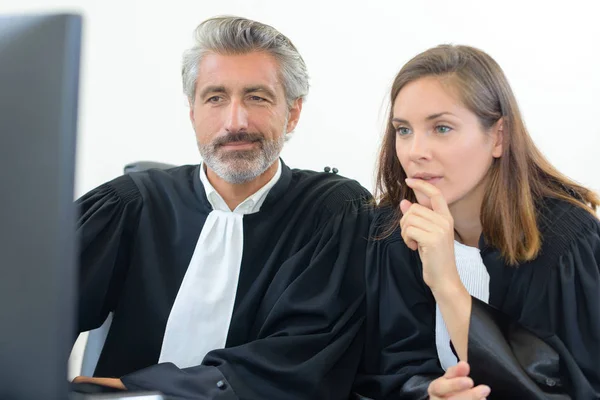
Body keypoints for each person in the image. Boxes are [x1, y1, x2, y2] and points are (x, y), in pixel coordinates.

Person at [71, 16, 371, 400]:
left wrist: (138, 389)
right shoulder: (129, 204)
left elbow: (303, 357)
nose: (235, 121)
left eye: (257, 97)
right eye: (215, 97)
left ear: (293, 112)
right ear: (192, 111)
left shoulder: (334, 212)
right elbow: (31, 317)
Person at [354, 44, 600, 399]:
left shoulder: (565, 241)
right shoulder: (393, 229)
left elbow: (564, 388)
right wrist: (429, 394)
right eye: (403, 130)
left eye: (441, 128)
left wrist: (447, 284)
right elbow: (382, 372)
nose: (415, 151)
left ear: (498, 136)